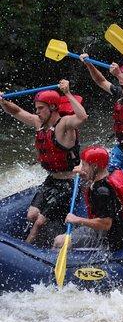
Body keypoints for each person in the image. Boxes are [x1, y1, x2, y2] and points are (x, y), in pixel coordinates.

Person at [0, 81, 87, 245]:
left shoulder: (64, 124)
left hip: (69, 182)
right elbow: (16, 111)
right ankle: (48, 230)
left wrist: (67, 93)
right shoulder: (39, 123)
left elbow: (82, 117)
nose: (37, 112)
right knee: (31, 215)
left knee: (39, 222)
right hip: (52, 180)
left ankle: (26, 249)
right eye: (36, 108)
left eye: (41, 108)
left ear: (53, 107)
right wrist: (3, 102)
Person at [53, 146, 123, 251]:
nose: (82, 168)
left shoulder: (102, 192)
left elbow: (106, 224)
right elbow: (92, 182)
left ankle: (55, 263)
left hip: (109, 238)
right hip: (113, 231)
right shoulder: (104, 177)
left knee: (59, 241)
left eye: (84, 165)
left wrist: (77, 219)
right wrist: (84, 175)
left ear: (94, 166)